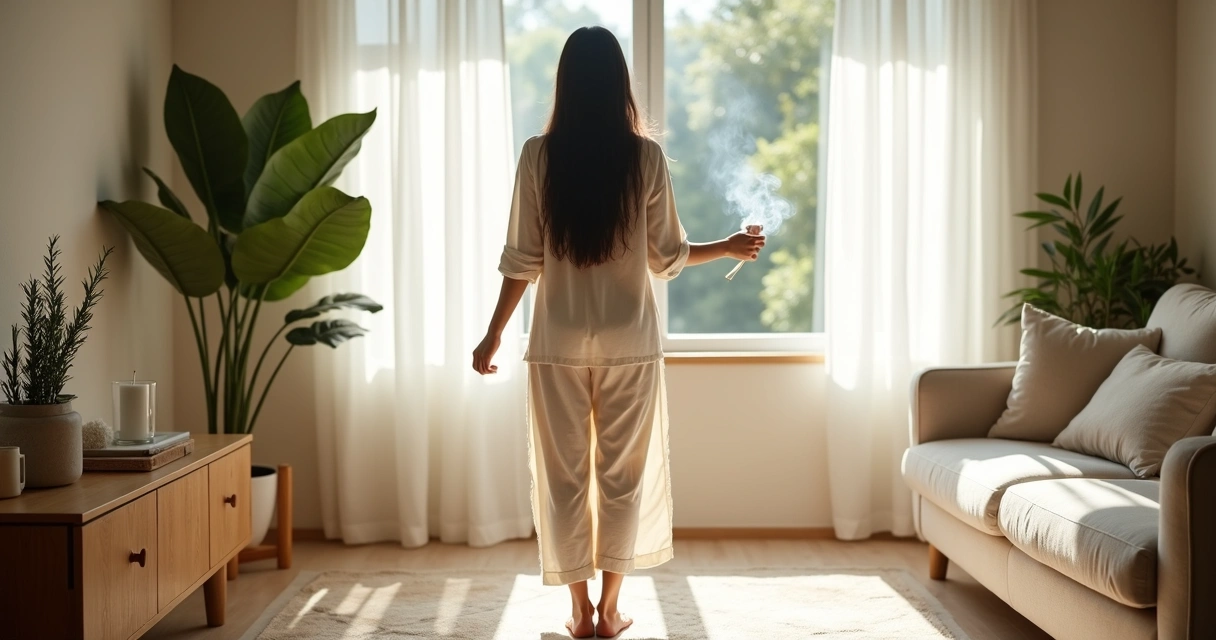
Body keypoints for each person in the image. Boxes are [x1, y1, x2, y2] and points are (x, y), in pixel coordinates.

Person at [472, 26, 766, 639]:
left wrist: (493, 334)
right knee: (621, 477)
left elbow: (522, 259)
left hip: (555, 343)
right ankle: (609, 612)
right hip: (629, 343)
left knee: (564, 477)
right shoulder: (645, 157)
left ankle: (577, 611)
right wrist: (731, 245)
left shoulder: (537, 155)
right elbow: (667, 257)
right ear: (619, 85)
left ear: (564, 83)